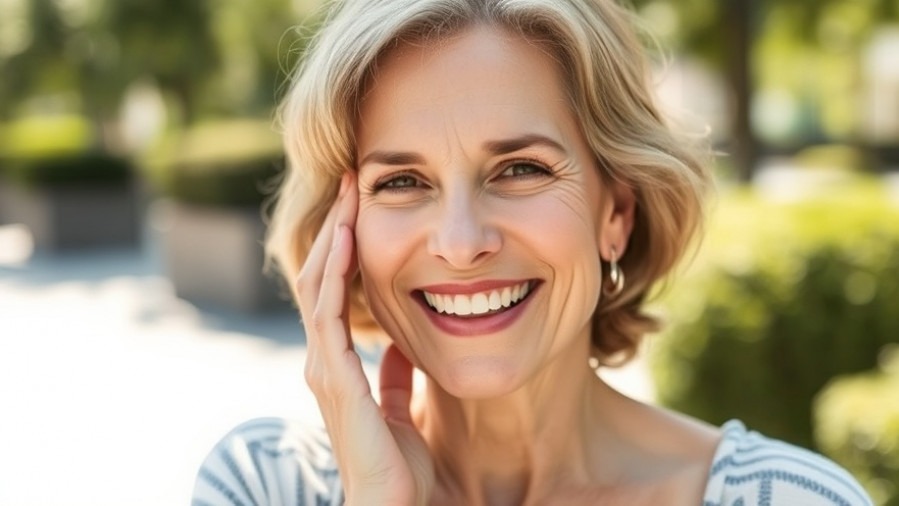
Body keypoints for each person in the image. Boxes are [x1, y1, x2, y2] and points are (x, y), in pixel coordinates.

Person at [192, 0, 874, 504]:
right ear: (347, 235)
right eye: (401, 181)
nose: (461, 245)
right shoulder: (263, 483)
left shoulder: (791, 498)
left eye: (520, 170)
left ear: (616, 213)